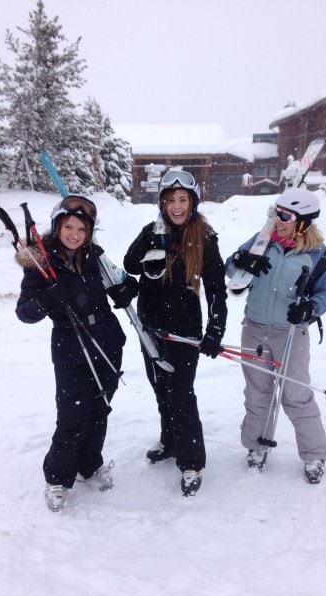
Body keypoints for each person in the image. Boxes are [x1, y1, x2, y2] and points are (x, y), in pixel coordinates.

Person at [15, 195, 139, 511]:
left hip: (108, 342)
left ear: (89, 232)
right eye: (68, 227)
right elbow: (24, 313)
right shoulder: (42, 265)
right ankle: (58, 478)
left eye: (81, 228)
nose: (74, 234)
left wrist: (128, 288)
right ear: (57, 227)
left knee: (100, 410)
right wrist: (45, 301)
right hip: (71, 348)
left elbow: (119, 282)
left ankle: (90, 465)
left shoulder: (96, 257)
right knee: (73, 417)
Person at [123, 170, 227, 496]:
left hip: (184, 330)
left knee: (181, 394)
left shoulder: (205, 238)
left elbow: (216, 290)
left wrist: (215, 330)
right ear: (162, 203)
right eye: (171, 200)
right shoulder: (152, 231)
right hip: (150, 326)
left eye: (183, 200)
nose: (176, 206)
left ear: (193, 202)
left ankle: (192, 461)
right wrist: (150, 240)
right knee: (160, 390)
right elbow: (129, 264)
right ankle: (169, 441)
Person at [225, 188, 326, 484]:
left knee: (296, 394)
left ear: (303, 221)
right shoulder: (263, 240)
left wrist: (311, 308)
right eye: (276, 212)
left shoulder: (320, 256)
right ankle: (256, 445)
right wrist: (242, 259)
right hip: (254, 327)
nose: (278, 219)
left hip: (291, 332)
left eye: (285, 215)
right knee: (257, 392)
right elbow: (231, 267)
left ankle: (314, 453)